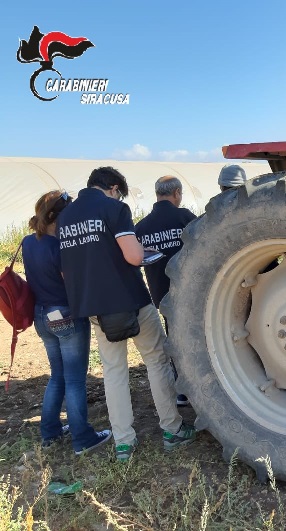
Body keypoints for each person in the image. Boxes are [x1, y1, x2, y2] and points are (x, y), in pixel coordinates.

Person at [56, 167, 196, 462]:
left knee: (113, 371)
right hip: (130, 300)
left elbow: (65, 266)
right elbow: (133, 256)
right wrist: (140, 251)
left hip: (94, 308)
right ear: (114, 188)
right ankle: (172, 429)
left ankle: (123, 442)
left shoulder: (66, 216)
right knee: (156, 360)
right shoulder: (114, 208)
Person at [22, 191, 112, 455]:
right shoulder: (60, 248)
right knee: (75, 379)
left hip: (42, 315)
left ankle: (50, 432)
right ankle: (82, 437)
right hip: (66, 316)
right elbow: (71, 283)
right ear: (57, 217)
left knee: (58, 376)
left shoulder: (28, 242)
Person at [135, 176, 196, 406]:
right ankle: (192, 387)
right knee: (194, 338)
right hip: (188, 292)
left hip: (161, 294)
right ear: (177, 193)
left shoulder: (141, 227)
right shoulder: (185, 218)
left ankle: (181, 388)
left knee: (174, 337)